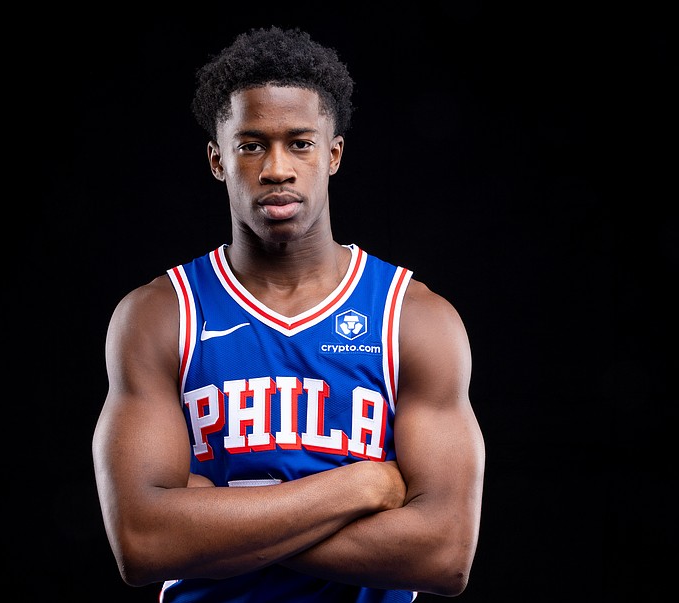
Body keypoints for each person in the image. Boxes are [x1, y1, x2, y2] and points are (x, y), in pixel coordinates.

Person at [92, 26, 485, 603]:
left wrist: (206, 519)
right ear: (217, 160)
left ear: (333, 154)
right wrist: (361, 486)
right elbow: (144, 543)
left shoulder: (415, 318)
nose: (277, 168)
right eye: (251, 145)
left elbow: (445, 554)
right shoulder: (160, 316)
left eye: (300, 142)